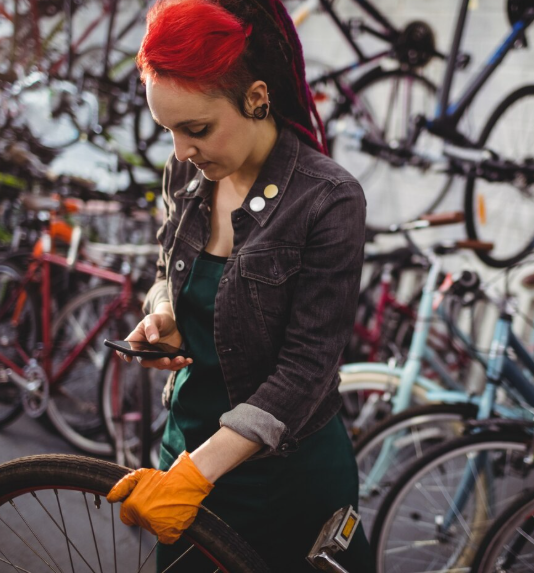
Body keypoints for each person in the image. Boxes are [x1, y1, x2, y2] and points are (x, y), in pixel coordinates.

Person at [104, 1, 373, 571]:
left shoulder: (327, 199)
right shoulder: (186, 172)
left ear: (255, 97)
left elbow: (307, 369)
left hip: (280, 479)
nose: (179, 151)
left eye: (196, 129)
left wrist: (196, 474)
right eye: (169, 131)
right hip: (185, 451)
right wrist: (163, 316)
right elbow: (164, 274)